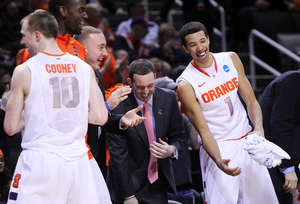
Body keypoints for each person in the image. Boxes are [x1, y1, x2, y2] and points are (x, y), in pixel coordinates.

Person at [4, 9, 111, 203]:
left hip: (41, 161)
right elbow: (101, 117)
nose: (21, 42)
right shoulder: (83, 67)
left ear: (37, 35)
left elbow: (11, 128)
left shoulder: (25, 70)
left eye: (23, 36)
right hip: (79, 162)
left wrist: (15, 106)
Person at [176, 21, 278, 203]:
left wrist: (259, 130)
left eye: (202, 41)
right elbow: (203, 130)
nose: (200, 48)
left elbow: (251, 101)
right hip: (219, 147)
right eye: (192, 45)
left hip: (247, 141)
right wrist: (218, 160)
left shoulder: (230, 58)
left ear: (208, 40)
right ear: (185, 49)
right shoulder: (186, 84)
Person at [106, 58, 185, 204]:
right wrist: (128, 196)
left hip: (157, 184)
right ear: (130, 82)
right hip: (126, 184)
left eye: (150, 85)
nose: (146, 91)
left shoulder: (168, 98)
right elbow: (118, 155)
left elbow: (179, 136)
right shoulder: (119, 104)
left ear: (155, 77)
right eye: (141, 87)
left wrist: (171, 150)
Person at [73, 26, 134, 178]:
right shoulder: (70, 77)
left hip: (97, 157)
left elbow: (100, 122)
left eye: (105, 48)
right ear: (83, 49)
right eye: (101, 48)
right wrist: (107, 105)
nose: (105, 54)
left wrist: (121, 120)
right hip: (76, 159)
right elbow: (74, 120)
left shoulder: (96, 75)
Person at [259, 69, 300, 204]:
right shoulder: (292, 81)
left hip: (281, 160)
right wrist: (288, 168)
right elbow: (279, 126)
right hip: (271, 163)